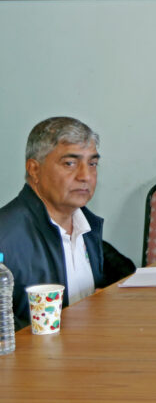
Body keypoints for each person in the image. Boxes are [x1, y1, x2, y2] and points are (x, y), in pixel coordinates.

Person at [0, 117, 135, 330]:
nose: (85, 176)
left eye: (92, 164)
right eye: (70, 163)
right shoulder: (6, 236)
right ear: (34, 169)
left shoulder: (86, 226)